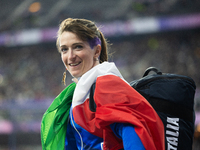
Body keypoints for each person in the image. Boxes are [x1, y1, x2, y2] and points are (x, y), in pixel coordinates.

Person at [41, 18, 165, 150]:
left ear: (96, 51)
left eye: (78, 47)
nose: (70, 56)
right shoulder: (81, 91)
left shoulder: (106, 84)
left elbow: (132, 128)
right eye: (64, 50)